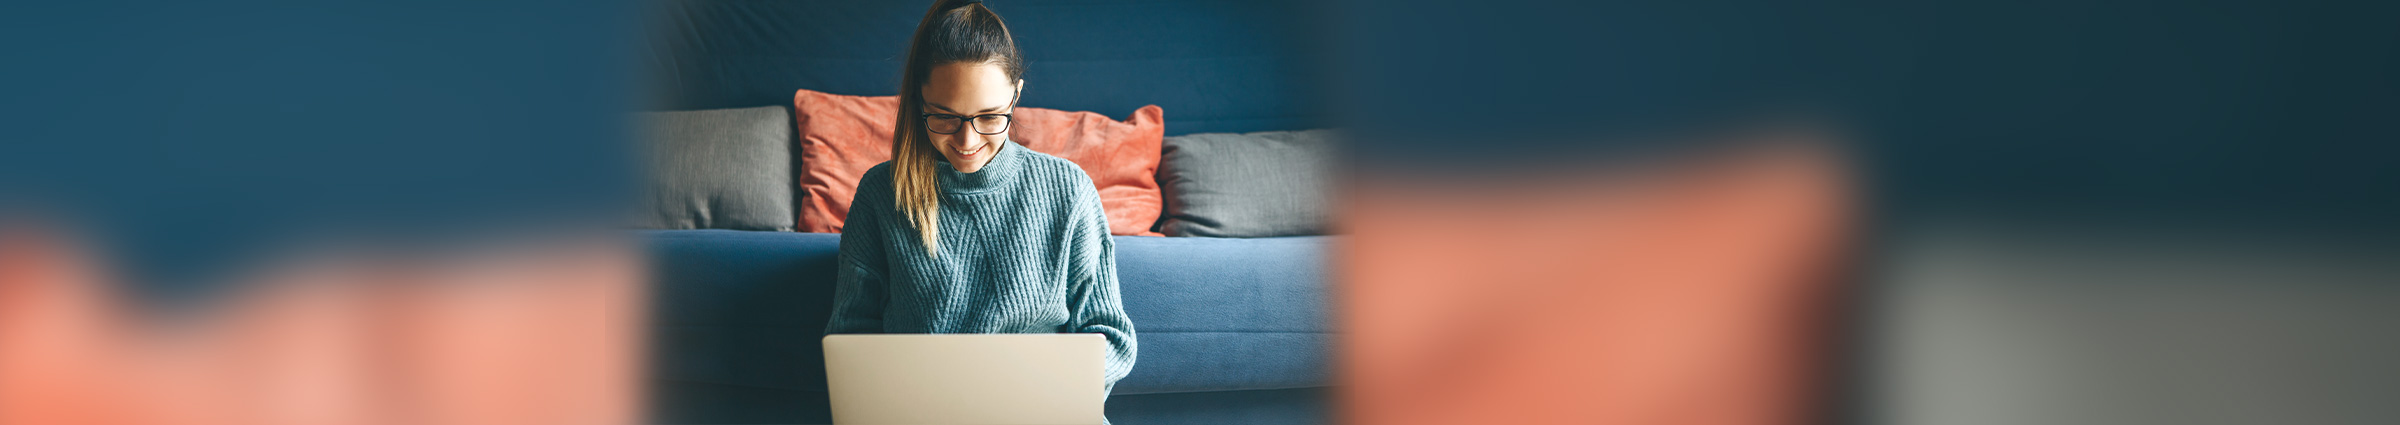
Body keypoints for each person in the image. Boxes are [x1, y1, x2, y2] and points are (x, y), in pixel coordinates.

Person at [823, 0, 1137, 409]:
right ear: (920, 100)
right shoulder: (882, 193)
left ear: (1015, 95)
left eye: (990, 117)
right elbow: (851, 335)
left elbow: (1111, 335)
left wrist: (1049, 395)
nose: (967, 142)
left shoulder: (1068, 189)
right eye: (944, 117)